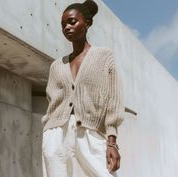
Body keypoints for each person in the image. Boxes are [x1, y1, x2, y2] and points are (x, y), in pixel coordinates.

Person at [42, 0, 124, 176]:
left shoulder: (103, 56)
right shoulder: (56, 66)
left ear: (87, 23)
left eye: (72, 22)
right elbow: (52, 101)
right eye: (63, 25)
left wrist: (111, 141)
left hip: (90, 130)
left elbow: (113, 98)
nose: (67, 28)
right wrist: (48, 133)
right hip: (56, 132)